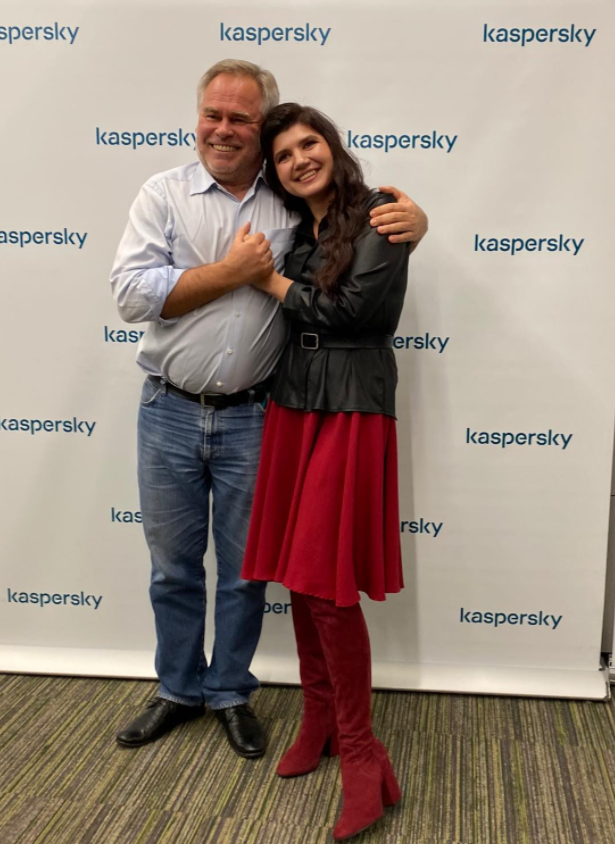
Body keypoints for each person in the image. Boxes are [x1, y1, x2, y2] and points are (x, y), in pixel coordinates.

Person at [110, 60, 428, 759]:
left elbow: (352, 238)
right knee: (173, 568)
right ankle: (177, 688)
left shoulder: (287, 201)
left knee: (245, 572)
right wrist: (231, 273)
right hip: (167, 410)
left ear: (261, 130)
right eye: (213, 114)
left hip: (260, 415)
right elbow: (131, 296)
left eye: (241, 119)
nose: (223, 129)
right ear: (197, 117)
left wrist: (415, 220)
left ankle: (229, 691)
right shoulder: (162, 194)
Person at [240, 103, 410, 840]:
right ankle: (319, 719)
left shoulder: (382, 213)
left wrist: (270, 283)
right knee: (298, 579)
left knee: (327, 586)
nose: (299, 160)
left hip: (350, 406)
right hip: (293, 401)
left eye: (308, 144)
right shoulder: (295, 232)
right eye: (283, 155)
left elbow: (350, 311)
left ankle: (363, 753)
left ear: (332, 147)